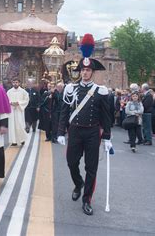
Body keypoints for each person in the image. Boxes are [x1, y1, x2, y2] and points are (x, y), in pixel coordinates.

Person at [58, 33, 112, 216]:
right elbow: (64, 111)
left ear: (92, 72)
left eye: (88, 71)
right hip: (75, 131)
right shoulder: (70, 89)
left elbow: (106, 116)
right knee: (71, 162)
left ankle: (87, 199)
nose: (85, 73)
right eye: (83, 70)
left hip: (91, 133)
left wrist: (107, 137)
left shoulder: (101, 91)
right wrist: (60, 131)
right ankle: (78, 183)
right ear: (80, 72)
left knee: (91, 167)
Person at [6, 78, 29, 146]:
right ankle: (14, 141)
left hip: (19, 110)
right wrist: (11, 103)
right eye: (14, 82)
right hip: (12, 110)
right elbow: (6, 100)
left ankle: (22, 139)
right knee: (12, 126)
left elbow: (26, 100)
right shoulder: (9, 92)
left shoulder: (23, 91)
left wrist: (19, 103)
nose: (15, 84)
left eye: (16, 82)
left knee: (20, 125)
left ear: (19, 83)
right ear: (12, 83)